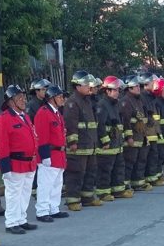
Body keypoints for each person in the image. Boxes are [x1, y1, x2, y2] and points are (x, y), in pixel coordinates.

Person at [0, 85, 38, 234]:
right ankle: (12, 222)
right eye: (19, 97)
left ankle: (21, 219)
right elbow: (2, 144)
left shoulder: (25, 116)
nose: (23, 100)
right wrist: (5, 168)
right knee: (14, 194)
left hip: (29, 162)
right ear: (10, 102)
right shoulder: (4, 119)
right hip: (15, 163)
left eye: (23, 97)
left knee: (25, 193)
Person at [63, 71, 102, 210]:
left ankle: (87, 197)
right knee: (76, 173)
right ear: (77, 86)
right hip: (78, 147)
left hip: (90, 145)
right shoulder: (72, 102)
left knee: (90, 172)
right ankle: (73, 200)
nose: (90, 87)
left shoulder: (87, 101)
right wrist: (72, 142)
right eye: (86, 85)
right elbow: (70, 123)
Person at [34, 85, 70, 221]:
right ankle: (42, 211)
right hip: (49, 153)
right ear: (52, 99)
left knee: (57, 184)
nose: (62, 99)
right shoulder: (43, 113)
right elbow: (41, 136)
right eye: (60, 97)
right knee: (45, 185)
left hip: (58, 154)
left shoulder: (57, 113)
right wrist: (45, 156)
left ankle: (54, 208)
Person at [94, 76, 127, 202]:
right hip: (107, 145)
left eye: (118, 90)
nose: (118, 92)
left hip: (116, 143)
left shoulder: (115, 104)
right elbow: (100, 125)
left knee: (118, 167)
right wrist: (105, 140)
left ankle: (118, 190)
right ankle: (103, 192)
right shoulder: (102, 105)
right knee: (105, 169)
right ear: (107, 91)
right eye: (115, 90)